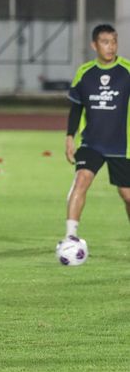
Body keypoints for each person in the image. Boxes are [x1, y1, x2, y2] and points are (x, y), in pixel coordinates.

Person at [64, 23, 130, 244]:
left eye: (114, 42)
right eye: (105, 42)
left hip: (122, 145)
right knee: (81, 179)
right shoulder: (84, 73)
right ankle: (70, 237)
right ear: (94, 45)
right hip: (92, 143)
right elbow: (76, 108)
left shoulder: (127, 71)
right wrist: (70, 136)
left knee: (127, 195)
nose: (110, 47)